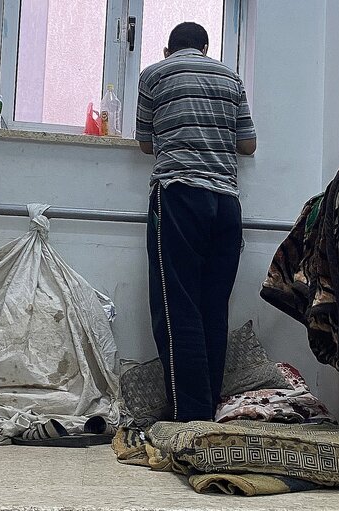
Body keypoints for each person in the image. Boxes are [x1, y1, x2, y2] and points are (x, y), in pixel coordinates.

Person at [135, 22, 257, 422]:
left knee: (176, 307)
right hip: (226, 203)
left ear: (168, 49)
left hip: (179, 193)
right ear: (205, 48)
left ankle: (189, 418)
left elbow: (145, 143)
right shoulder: (231, 77)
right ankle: (209, 413)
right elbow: (248, 144)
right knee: (212, 308)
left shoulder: (154, 74)